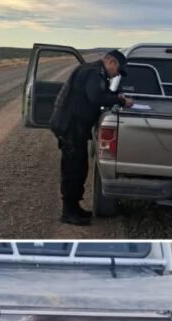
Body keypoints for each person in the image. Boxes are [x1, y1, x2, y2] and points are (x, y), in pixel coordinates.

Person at [50, 50, 134, 225]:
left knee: (79, 167)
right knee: (73, 169)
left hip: (75, 127)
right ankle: (68, 212)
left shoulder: (95, 72)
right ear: (111, 62)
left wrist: (114, 97)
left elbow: (96, 96)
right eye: (117, 70)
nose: (117, 74)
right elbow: (95, 97)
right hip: (70, 126)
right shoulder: (92, 72)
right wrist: (120, 101)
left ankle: (74, 207)